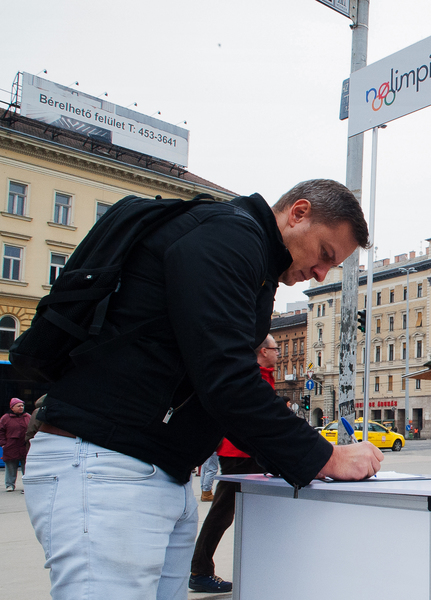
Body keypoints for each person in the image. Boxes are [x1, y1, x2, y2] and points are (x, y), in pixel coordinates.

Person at [24, 179, 385, 600]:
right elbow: (226, 377)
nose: (321, 273)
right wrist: (326, 456)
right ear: (298, 213)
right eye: (324, 254)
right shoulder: (231, 237)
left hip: (152, 470)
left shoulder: (253, 259)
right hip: (109, 465)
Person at [189, 334, 281, 593]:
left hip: (243, 452)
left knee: (239, 511)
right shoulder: (256, 376)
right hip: (241, 453)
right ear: (263, 351)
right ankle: (200, 570)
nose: (278, 354)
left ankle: (256, 566)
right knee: (222, 513)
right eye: (275, 349)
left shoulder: (261, 373)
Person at [0, 398, 31, 492]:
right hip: (11, 446)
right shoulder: (5, 418)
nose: (21, 407)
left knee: (27, 467)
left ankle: (27, 486)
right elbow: (1, 431)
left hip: (25, 446)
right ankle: (10, 485)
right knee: (10, 466)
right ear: (12, 407)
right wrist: (3, 444)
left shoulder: (28, 417)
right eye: (19, 406)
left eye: (22, 405)